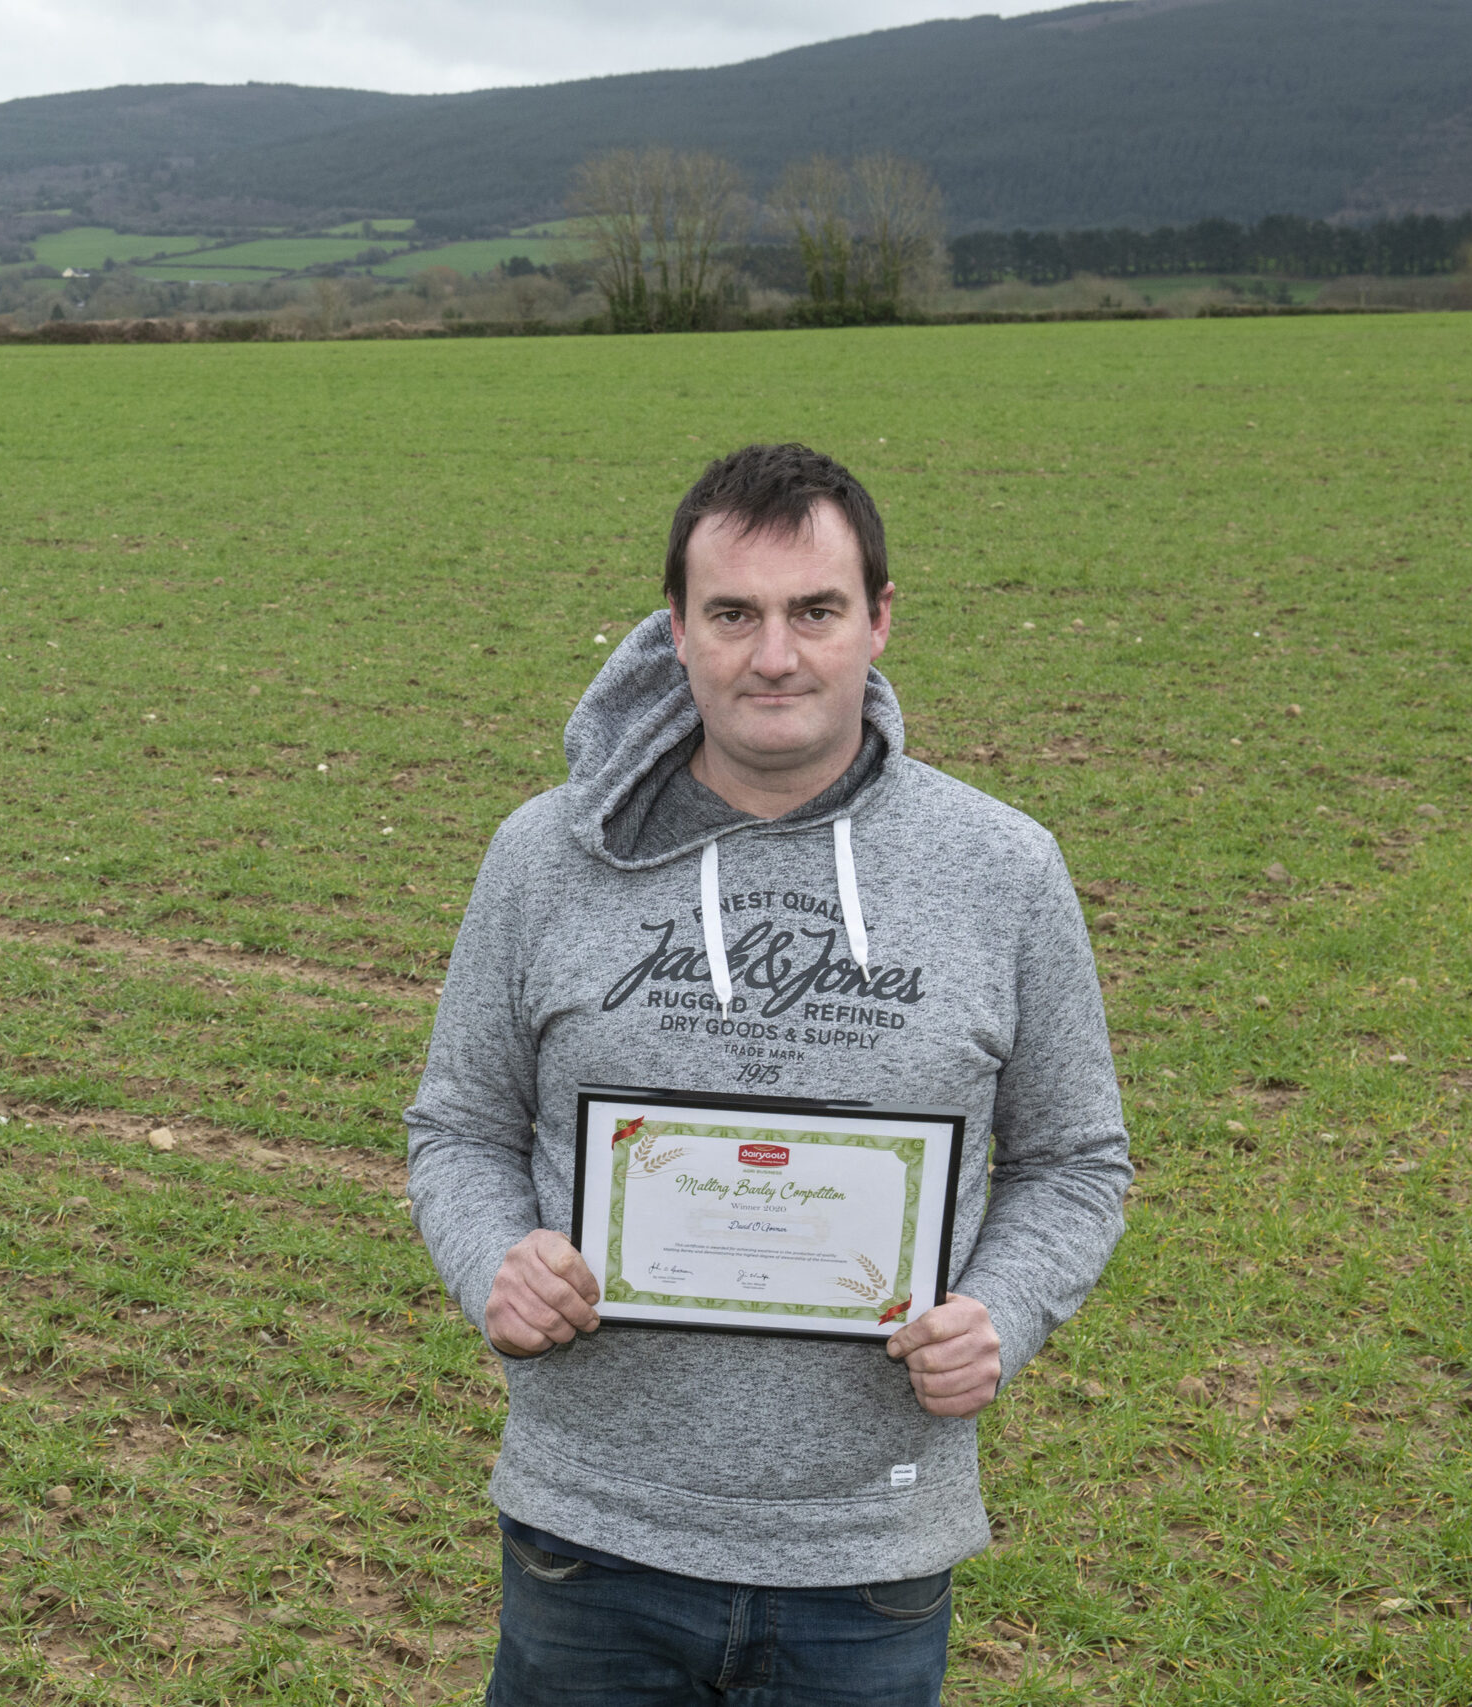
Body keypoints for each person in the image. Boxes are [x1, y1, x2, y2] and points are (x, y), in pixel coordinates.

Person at [405, 443, 1129, 1703]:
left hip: (866, 1557)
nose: (774, 656)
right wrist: (493, 1263)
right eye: (732, 614)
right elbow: (459, 1127)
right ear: (675, 630)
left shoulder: (1002, 869)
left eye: (814, 612)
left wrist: (1003, 1314)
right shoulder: (541, 857)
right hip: (590, 1537)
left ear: (879, 622)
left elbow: (1075, 1160)